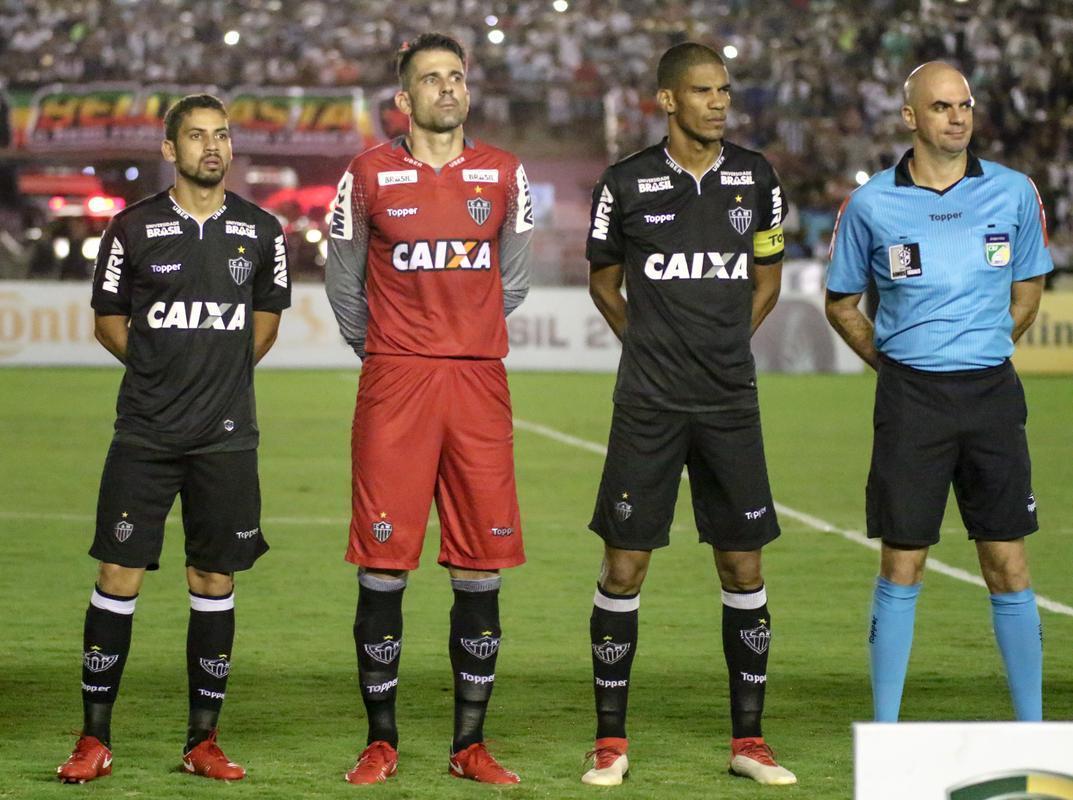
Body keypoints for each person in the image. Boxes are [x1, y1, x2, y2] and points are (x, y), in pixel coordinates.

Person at [55, 94, 290, 783]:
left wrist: (212, 376)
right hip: (146, 435)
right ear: (169, 149)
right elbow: (107, 320)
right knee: (116, 576)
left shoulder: (262, 230)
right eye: (195, 136)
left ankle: (202, 741)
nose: (211, 147)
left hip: (226, 439)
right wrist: (163, 372)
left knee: (213, 578)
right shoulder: (131, 228)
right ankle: (94, 739)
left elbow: (266, 323)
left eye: (220, 135)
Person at [581, 42, 796, 787]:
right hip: (648, 403)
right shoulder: (625, 183)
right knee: (624, 562)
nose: (718, 103)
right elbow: (604, 283)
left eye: (724, 91)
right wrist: (647, 346)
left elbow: (765, 278)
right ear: (667, 100)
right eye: (702, 91)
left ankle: (750, 742)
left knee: (742, 562)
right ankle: (609, 742)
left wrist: (723, 345)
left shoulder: (756, 177)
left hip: (729, 400)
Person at [324, 32, 532, 785]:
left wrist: (463, 338)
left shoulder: (505, 174)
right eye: (430, 80)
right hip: (396, 383)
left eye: (456, 77)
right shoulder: (367, 174)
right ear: (403, 99)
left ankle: (468, 744)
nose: (447, 89)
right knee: (383, 565)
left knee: (480, 569)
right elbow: (344, 283)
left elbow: (511, 280)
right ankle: (381, 740)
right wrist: (386, 351)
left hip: (477, 384)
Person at [825, 62, 1051, 723]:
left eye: (965, 106)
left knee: (1007, 561)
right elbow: (840, 303)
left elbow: (1029, 287)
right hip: (910, 401)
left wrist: (979, 346)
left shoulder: (1013, 192)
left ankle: (1032, 730)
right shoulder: (869, 205)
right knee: (902, 562)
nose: (956, 117)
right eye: (941, 106)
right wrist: (897, 366)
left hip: (989, 395)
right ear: (909, 117)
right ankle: (888, 729)